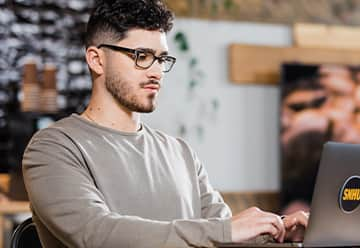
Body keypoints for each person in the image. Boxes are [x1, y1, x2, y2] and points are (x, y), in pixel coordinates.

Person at [22, 0, 308, 247]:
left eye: (162, 59)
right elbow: (96, 235)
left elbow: (221, 233)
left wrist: (278, 230)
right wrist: (225, 230)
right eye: (141, 56)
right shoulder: (53, 147)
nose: (157, 72)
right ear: (96, 60)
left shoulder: (179, 151)